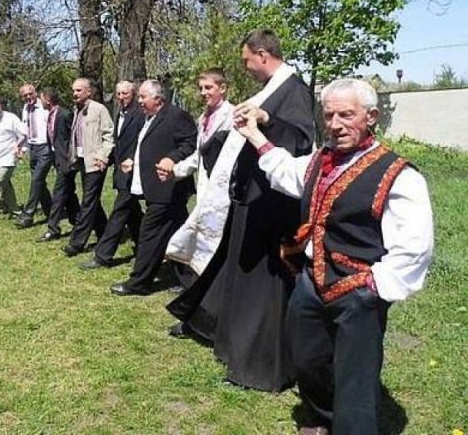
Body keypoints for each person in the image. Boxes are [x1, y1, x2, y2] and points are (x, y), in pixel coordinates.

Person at [235, 78, 433, 435]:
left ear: (371, 116)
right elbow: (286, 172)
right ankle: (323, 419)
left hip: (359, 290)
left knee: (355, 378)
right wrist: (255, 135)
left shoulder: (398, 174)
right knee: (307, 357)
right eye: (329, 115)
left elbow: (415, 245)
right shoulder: (320, 161)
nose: (336, 124)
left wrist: (374, 286)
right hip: (312, 282)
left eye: (347, 115)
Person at [167, 28, 315, 392]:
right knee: (229, 271)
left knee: (260, 289)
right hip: (247, 200)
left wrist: (267, 120)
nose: (246, 67)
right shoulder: (269, 89)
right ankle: (218, 333)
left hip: (271, 207)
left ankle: (257, 366)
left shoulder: (294, 90)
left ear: (263, 54)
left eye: (247, 60)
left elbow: (301, 140)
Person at [106, 80, 197, 296]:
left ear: (158, 99)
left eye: (142, 97)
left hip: (167, 188)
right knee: (178, 234)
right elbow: (149, 146)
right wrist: (135, 162)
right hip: (156, 187)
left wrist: (172, 159)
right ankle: (190, 280)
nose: (139, 101)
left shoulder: (175, 116)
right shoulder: (149, 118)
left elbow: (190, 144)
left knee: (149, 235)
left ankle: (139, 283)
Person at [163, 69, 234, 287]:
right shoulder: (204, 117)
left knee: (210, 240)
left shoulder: (232, 116)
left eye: (208, 87)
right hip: (205, 189)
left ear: (222, 88)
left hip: (223, 191)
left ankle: (206, 288)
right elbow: (198, 155)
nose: (203, 92)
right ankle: (197, 285)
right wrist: (176, 170)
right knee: (202, 240)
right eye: (201, 88)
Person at [79, 80, 143, 269]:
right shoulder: (120, 114)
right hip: (121, 170)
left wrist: (133, 160)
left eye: (125, 94)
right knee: (132, 213)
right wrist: (107, 158)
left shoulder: (139, 115)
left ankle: (103, 255)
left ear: (133, 94)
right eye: (119, 94)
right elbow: (118, 141)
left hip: (133, 170)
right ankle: (145, 245)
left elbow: (141, 142)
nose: (121, 97)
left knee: (119, 212)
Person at [62, 78, 114, 257]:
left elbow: (109, 135)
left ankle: (76, 243)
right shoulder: (77, 110)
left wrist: (103, 157)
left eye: (78, 90)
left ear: (88, 92)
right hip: (82, 161)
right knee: (92, 200)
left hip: (96, 162)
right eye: (73, 91)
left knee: (88, 201)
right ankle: (105, 233)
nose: (74, 94)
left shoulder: (99, 110)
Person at [36, 88, 80, 242]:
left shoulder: (65, 114)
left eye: (41, 98)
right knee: (69, 194)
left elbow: (74, 137)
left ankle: (53, 228)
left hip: (67, 161)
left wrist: (71, 159)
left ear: (47, 99)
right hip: (58, 160)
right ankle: (79, 222)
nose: (40, 101)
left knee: (58, 194)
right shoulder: (51, 115)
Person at [15, 84, 53, 228]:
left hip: (45, 148)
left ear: (35, 93)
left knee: (36, 180)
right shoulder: (26, 108)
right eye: (25, 96)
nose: (28, 97)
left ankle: (28, 215)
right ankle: (51, 211)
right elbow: (26, 130)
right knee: (40, 183)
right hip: (33, 148)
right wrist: (21, 146)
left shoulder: (44, 106)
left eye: (30, 94)